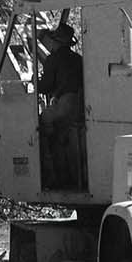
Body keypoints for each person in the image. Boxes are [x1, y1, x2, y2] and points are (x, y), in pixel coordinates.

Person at [38, 21, 85, 188]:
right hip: (80, 105)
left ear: (55, 41)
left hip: (65, 104)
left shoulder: (53, 59)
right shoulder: (78, 59)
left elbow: (45, 86)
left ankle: (50, 172)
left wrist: (36, 82)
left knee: (40, 122)